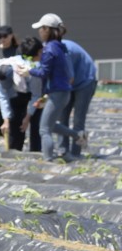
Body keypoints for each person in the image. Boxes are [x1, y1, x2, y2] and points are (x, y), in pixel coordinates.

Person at [16, 13, 81, 162]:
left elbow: (44, 72)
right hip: (62, 92)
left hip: (58, 92)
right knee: (51, 125)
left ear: (47, 29)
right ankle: (77, 135)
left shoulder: (49, 49)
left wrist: (28, 71)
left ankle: (48, 161)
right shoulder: (59, 46)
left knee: (44, 129)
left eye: (41, 28)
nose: (39, 31)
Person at [0, 36, 38, 152]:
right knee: (14, 126)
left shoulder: (29, 69)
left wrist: (27, 117)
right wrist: (6, 120)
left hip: (34, 94)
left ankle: (36, 151)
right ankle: (15, 150)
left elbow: (36, 95)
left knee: (36, 126)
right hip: (16, 95)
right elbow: (3, 98)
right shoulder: (0, 72)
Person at [60, 34, 96, 157]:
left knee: (78, 120)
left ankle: (76, 154)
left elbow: (70, 78)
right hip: (69, 82)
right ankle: (63, 151)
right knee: (62, 117)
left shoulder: (64, 51)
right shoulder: (47, 51)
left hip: (85, 80)